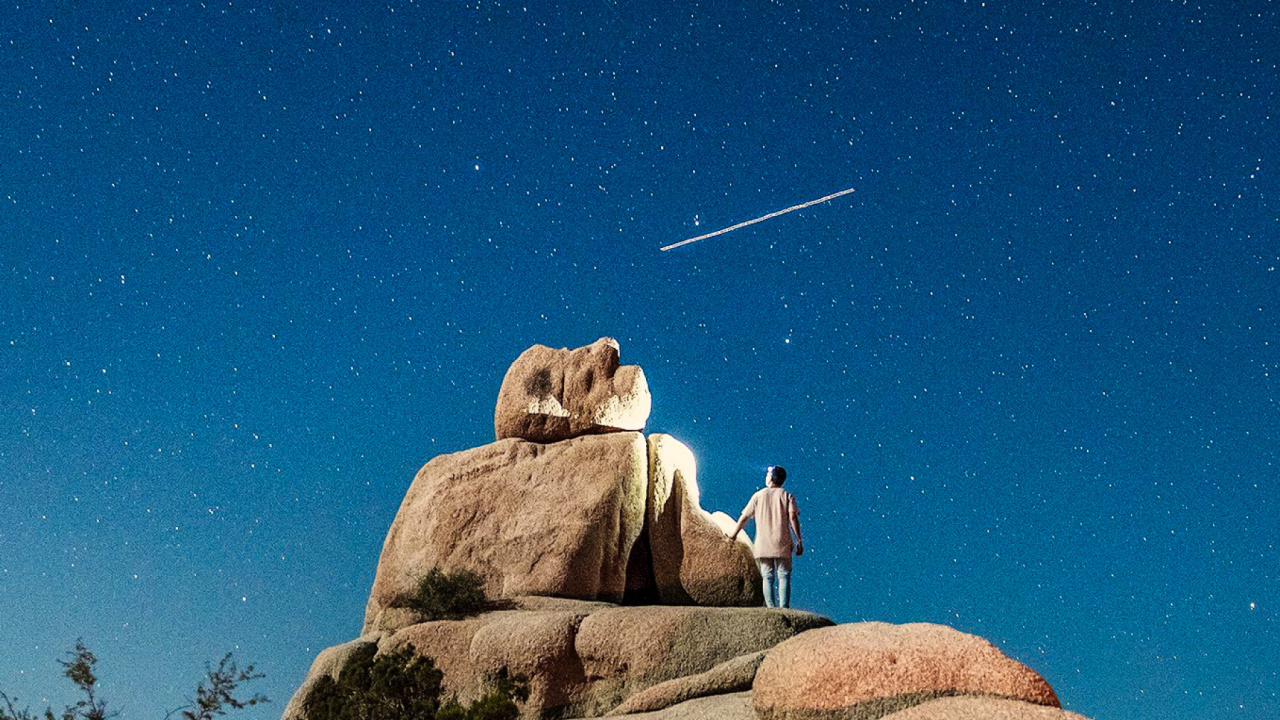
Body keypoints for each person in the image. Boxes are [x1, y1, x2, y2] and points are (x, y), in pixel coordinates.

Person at [727, 465, 803, 608]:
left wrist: (733, 535)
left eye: (768, 474)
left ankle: (770, 608)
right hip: (782, 541)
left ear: (772, 478)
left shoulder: (758, 496)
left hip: (763, 543)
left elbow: (744, 517)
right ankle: (784, 607)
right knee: (784, 575)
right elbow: (793, 517)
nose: (766, 476)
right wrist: (799, 540)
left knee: (767, 577)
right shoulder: (787, 496)